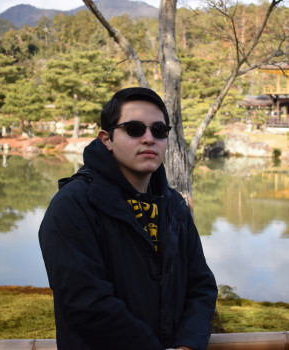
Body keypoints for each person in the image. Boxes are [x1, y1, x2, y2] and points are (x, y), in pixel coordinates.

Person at [39, 87, 218, 350]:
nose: (149, 138)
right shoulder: (73, 205)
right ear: (106, 139)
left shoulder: (173, 206)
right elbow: (85, 302)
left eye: (159, 131)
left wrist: (188, 344)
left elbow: (201, 285)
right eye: (134, 129)